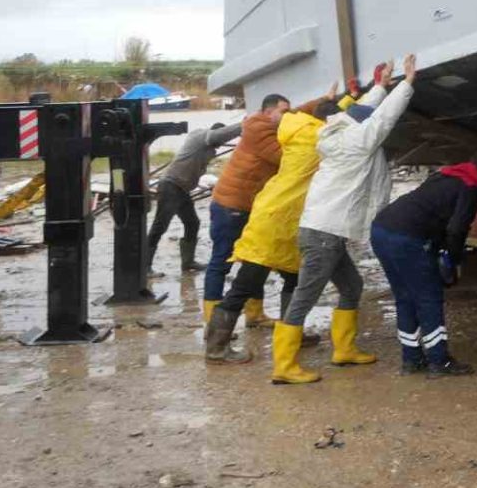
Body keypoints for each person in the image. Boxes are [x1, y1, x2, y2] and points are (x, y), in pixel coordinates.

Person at [270, 55, 419, 384]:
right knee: (305, 296)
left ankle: (344, 350)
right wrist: (407, 83)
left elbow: (364, 111)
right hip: (324, 234)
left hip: (326, 231)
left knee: (352, 286)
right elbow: (382, 120)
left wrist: (380, 86)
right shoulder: (356, 141)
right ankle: (284, 365)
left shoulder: (338, 131)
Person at [203, 89, 345, 366]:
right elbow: (305, 127)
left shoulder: (292, 129)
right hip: (263, 220)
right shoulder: (297, 145)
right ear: (268, 112)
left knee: (293, 278)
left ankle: (291, 331)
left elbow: (297, 114)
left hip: (279, 221)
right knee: (243, 280)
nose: (289, 115)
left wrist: (329, 100)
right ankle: (216, 345)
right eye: (283, 111)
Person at [370, 146, 477, 377]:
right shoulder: (471, 187)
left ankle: (411, 360)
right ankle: (439, 361)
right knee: (428, 297)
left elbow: (437, 215)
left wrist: (439, 249)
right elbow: (457, 228)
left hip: (381, 229)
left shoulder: (445, 175)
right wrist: (453, 259)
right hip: (407, 237)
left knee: (405, 296)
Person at [147, 120, 242, 277]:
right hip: (170, 186)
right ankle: (145, 267)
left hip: (181, 189)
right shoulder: (202, 136)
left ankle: (188, 263)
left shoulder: (208, 148)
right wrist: (245, 124)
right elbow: (217, 136)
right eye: (220, 141)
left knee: (192, 223)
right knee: (160, 226)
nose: (219, 145)